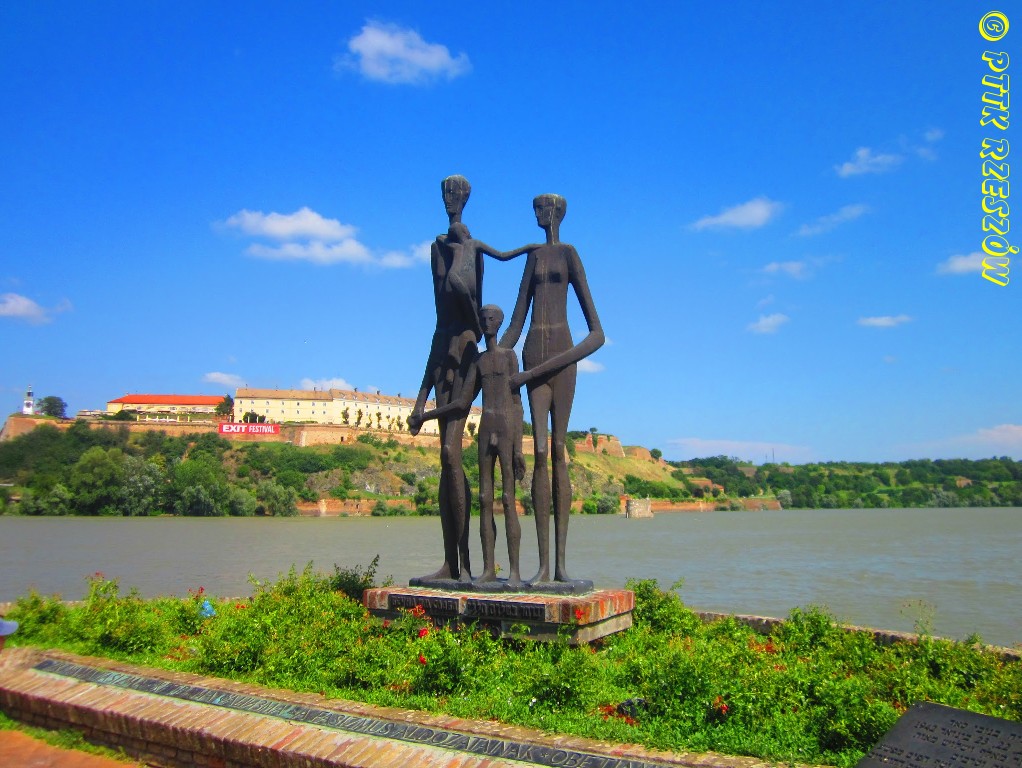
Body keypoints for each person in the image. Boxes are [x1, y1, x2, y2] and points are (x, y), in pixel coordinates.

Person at [409, 176, 532, 583]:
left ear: (465, 198)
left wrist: (464, 250)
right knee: (446, 463)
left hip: (463, 351)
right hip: (442, 345)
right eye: (445, 193)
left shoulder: (472, 249)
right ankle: (453, 562)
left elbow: (466, 294)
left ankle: (467, 564)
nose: (449, 199)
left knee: (450, 453)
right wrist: (419, 403)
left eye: (455, 194)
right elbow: (439, 312)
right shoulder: (436, 249)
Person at [491, 194, 604, 584]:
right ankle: (542, 567)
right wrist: (494, 354)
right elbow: (516, 321)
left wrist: (551, 365)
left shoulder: (569, 255)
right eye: (535, 208)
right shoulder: (533, 258)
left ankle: (561, 566)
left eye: (542, 208)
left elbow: (597, 334)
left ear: (556, 212)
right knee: (539, 450)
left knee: (558, 450)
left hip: (560, 358)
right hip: (532, 355)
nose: (537, 214)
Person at [409, 305, 526, 585]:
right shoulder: (479, 361)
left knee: (508, 498)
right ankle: (488, 570)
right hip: (486, 430)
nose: (487, 323)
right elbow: (462, 402)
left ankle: (515, 572)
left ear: (500, 322)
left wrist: (519, 448)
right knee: (485, 499)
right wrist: (425, 415)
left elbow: (517, 403)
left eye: (492, 319)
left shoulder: (509, 357)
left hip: (506, 430)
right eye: (483, 319)